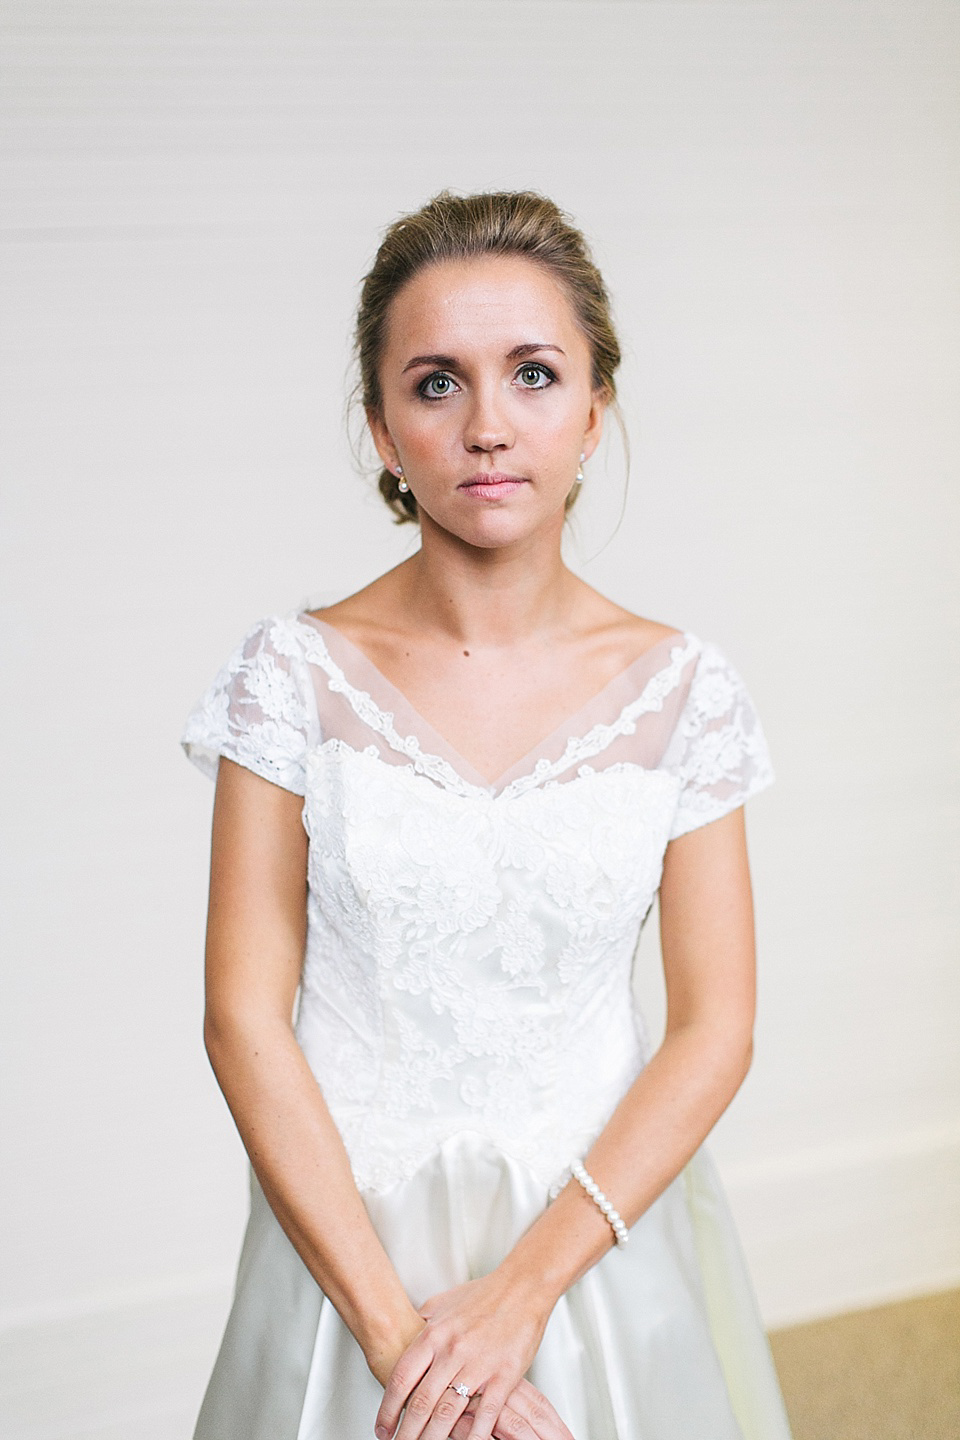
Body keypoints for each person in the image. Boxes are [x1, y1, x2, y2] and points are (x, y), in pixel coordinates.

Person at [181, 189, 794, 1440]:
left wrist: (521, 1296)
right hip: (347, 1256)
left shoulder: (685, 689)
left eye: (532, 373)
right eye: (437, 384)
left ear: (594, 409)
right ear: (381, 430)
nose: (490, 426)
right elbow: (243, 1019)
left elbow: (715, 1026)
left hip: (593, 1241)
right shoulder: (288, 677)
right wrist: (410, 1346)